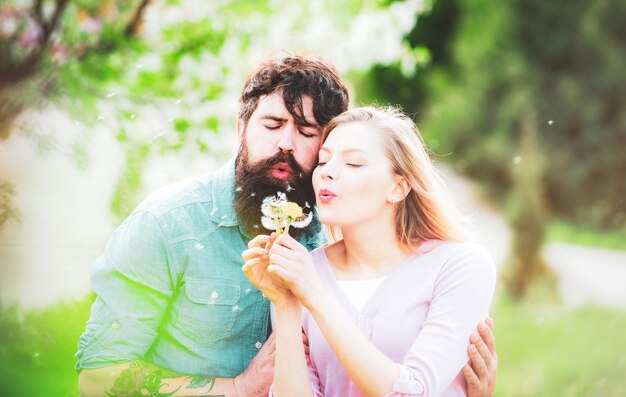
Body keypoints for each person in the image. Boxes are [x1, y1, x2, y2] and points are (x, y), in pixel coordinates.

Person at [76, 56, 497, 397]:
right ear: (241, 128)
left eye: (308, 132)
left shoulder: (330, 230)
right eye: (272, 125)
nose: (286, 144)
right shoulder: (167, 226)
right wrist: (236, 389)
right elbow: (97, 379)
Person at [242, 106, 497, 397]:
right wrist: (286, 304)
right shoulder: (303, 273)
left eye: (353, 164)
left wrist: (315, 296)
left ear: (398, 188)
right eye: (323, 161)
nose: (327, 173)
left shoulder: (460, 266)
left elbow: (413, 392)